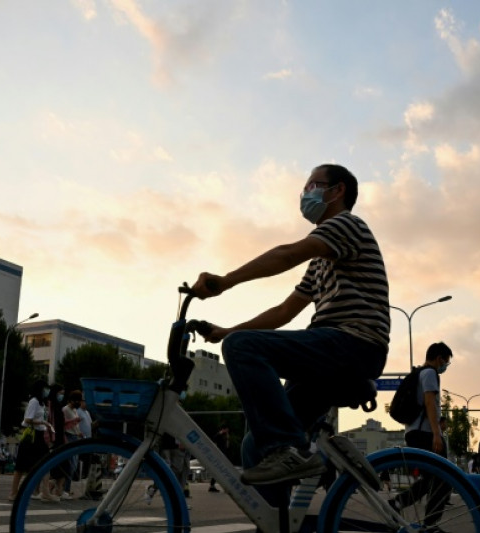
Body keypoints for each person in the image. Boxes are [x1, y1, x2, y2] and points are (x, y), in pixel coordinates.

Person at [191, 163, 389, 486]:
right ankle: (276, 512)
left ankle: (287, 451)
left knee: (244, 351)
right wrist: (227, 332)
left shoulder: (347, 225)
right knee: (255, 447)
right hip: (330, 351)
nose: (305, 194)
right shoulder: (321, 262)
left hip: (354, 344)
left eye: (312, 186)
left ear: (337, 190)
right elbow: (284, 311)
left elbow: (286, 254)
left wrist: (225, 281)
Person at [390, 342, 453, 527]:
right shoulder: (430, 373)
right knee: (444, 479)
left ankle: (397, 503)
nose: (445, 366)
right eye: (446, 362)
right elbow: (429, 402)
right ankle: (430, 525)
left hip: (414, 432)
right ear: (439, 358)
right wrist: (436, 433)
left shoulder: (418, 373)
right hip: (425, 434)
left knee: (432, 479)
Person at [9, 381, 53, 502]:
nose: (46, 391)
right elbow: (27, 419)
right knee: (21, 466)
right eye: (45, 388)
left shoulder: (42, 403)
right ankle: (13, 493)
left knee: (46, 463)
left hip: (40, 435)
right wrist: (42, 423)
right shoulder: (34, 401)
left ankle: (44, 492)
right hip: (31, 435)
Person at [208, 423, 230, 492]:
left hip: (223, 454)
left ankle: (213, 485)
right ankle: (213, 485)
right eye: (226, 429)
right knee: (219, 471)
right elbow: (214, 439)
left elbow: (227, 446)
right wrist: (220, 433)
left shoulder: (225, 436)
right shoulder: (219, 435)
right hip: (219, 455)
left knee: (220, 471)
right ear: (224, 429)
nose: (227, 430)